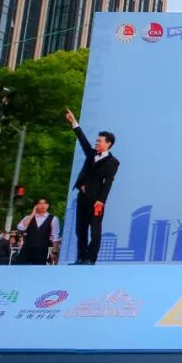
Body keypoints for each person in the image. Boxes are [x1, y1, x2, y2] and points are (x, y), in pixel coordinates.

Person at [66, 108, 119, 265]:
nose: (96, 143)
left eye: (100, 141)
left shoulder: (112, 162)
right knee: (80, 229)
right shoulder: (91, 154)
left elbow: (108, 182)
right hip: (82, 198)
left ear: (108, 144)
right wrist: (74, 122)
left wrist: (101, 201)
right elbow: (82, 140)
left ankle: (90, 258)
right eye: (96, 140)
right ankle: (81, 257)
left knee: (95, 231)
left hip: (96, 201)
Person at [16, 199, 60, 265]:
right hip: (26, 249)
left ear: (48, 205)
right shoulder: (29, 217)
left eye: (45, 203)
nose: (42, 205)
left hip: (42, 250)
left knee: (38, 270)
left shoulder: (53, 219)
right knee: (19, 268)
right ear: (36, 206)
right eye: (40, 203)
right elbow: (21, 227)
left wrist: (55, 252)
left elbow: (55, 237)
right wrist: (32, 214)